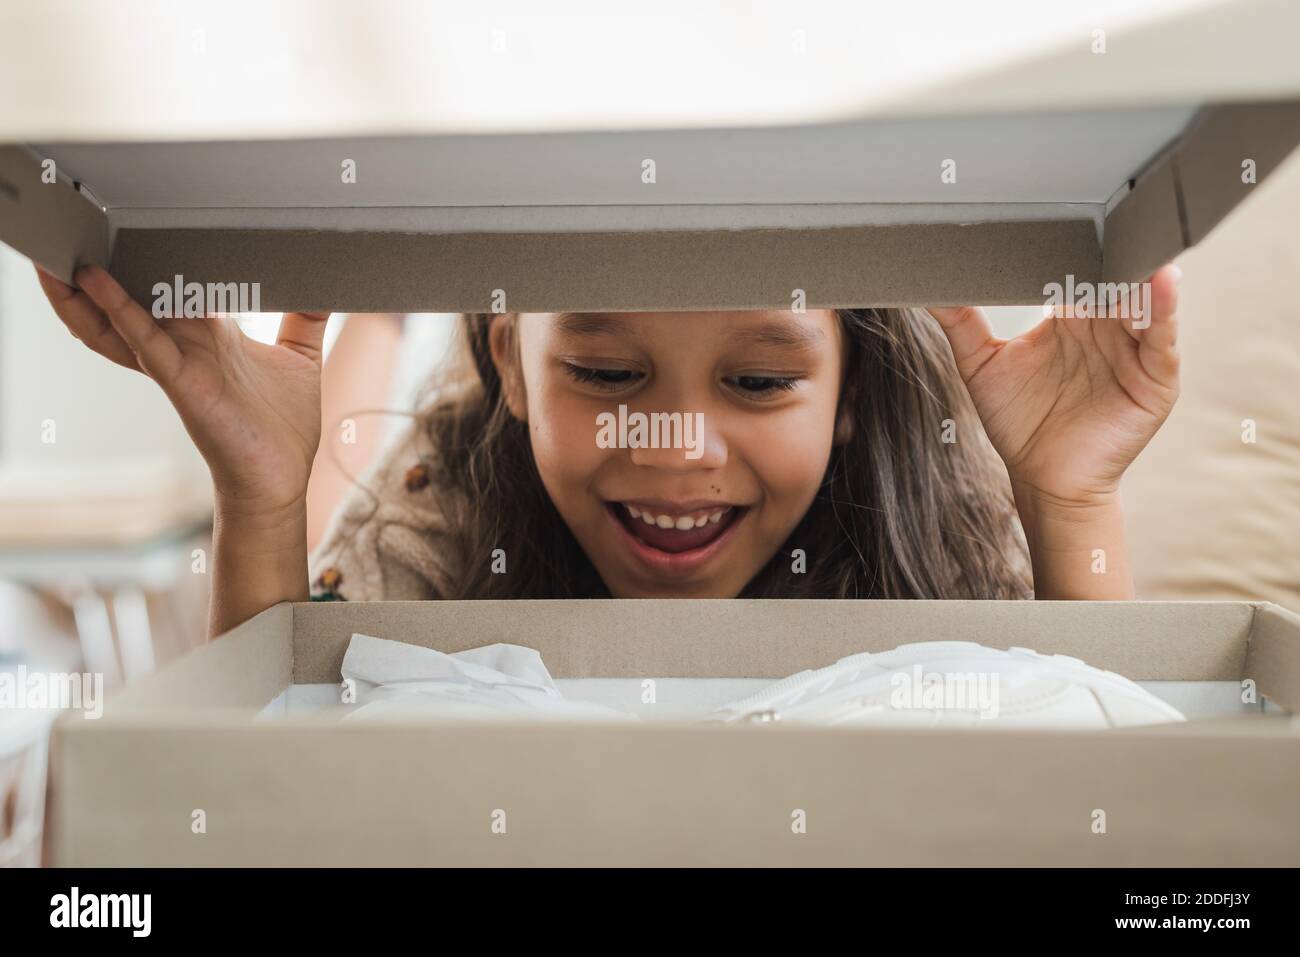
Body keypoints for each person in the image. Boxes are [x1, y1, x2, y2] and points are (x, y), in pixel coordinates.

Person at [36, 264, 1181, 637]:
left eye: (758, 382)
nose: (677, 450)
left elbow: (1098, 836)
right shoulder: (448, 498)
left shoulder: (928, 499)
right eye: (604, 374)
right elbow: (259, 817)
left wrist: (1069, 499)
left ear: (847, 395)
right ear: (516, 369)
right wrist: (261, 498)